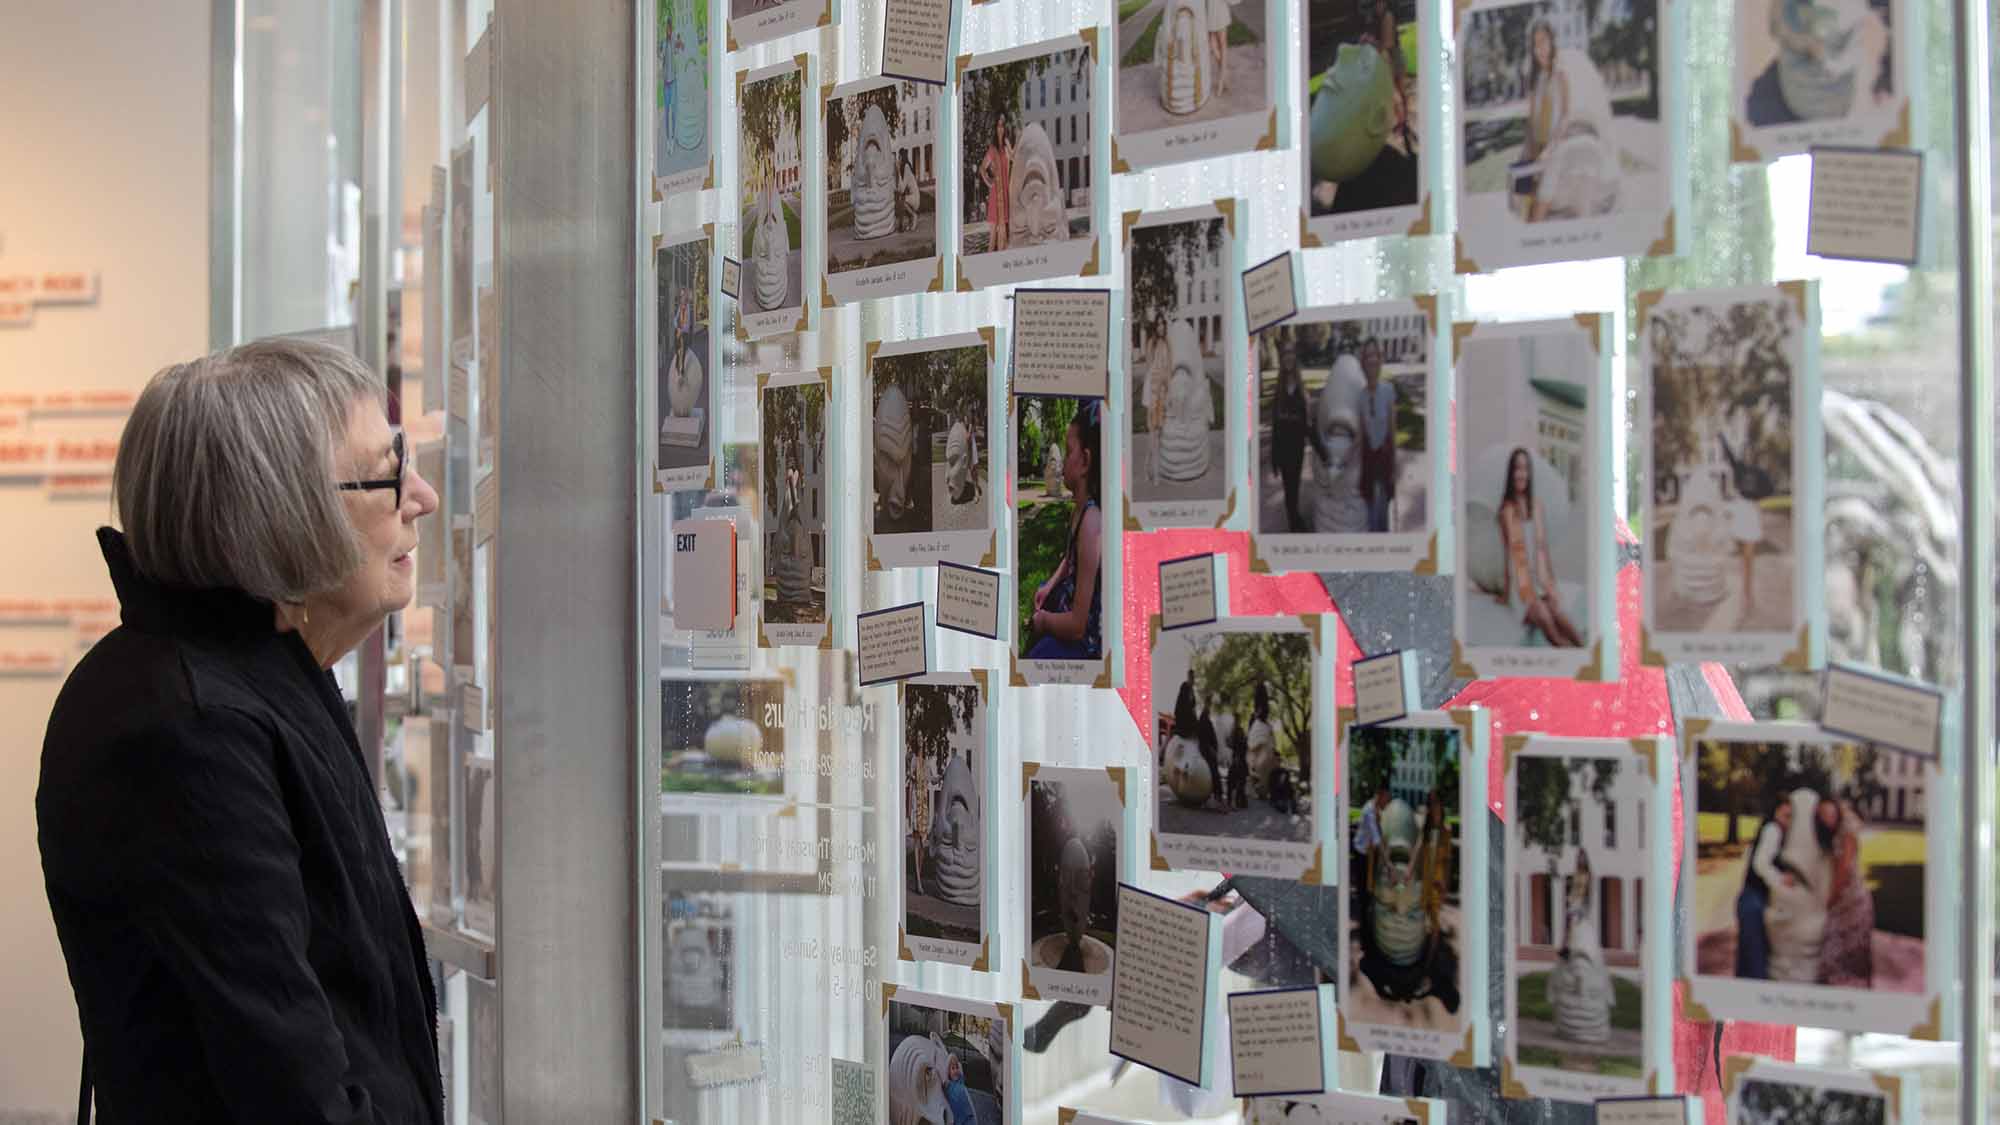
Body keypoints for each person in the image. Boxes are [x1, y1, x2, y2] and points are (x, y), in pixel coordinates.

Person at [38, 339, 445, 1121]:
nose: (420, 495)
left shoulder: (257, 676)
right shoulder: (189, 726)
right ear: (281, 510)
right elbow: (288, 1085)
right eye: (388, 471)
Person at [1027, 401, 1104, 661]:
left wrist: (1045, 622)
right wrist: (1049, 585)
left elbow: (1078, 625)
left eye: (1068, 450)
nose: (1061, 461)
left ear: (1084, 461)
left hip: (1084, 643)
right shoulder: (1079, 509)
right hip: (1067, 604)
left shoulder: (1092, 523)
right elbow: (1070, 559)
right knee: (1040, 596)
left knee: (1037, 655)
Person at [1497, 447, 1585, 647]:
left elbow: (1542, 549)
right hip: (1521, 588)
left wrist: (1551, 587)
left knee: (1559, 614)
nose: (1522, 474)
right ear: (1511, 474)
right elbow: (1509, 556)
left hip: (1539, 581)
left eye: (1525, 469)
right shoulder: (1506, 511)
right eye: (1517, 469)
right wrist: (1507, 594)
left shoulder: (1536, 506)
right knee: (1547, 620)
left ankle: (1581, 650)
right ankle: (1569, 659)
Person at [1270, 334, 1329, 534]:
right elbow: (1275, 425)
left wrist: (1322, 451)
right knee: (1289, 490)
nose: (1288, 357)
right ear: (1282, 358)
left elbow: (1307, 426)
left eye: (1290, 353)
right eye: (1285, 354)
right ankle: (1294, 523)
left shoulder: (1301, 389)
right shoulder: (1278, 390)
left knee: (1294, 488)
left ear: (1294, 357)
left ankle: (1296, 521)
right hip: (1283, 450)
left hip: (1296, 449)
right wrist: (1273, 457)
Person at [1735, 793, 1796, 979]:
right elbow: (1760, 863)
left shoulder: (1771, 829)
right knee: (1756, 965)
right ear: (1776, 813)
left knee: (1746, 962)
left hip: (1750, 898)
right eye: (1785, 815)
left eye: (1790, 816)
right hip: (1754, 901)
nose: (1788, 821)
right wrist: (1780, 879)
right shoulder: (1773, 829)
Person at [1816, 795, 1873, 987]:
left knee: (1846, 956)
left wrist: (1829, 900)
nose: (1827, 817)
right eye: (1823, 814)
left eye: (1831, 813)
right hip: (1843, 898)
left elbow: (1844, 870)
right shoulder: (1832, 834)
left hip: (1852, 900)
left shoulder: (1846, 833)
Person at [1519, 18, 1568, 221]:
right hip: (1536, 151)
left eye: (1543, 42)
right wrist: (1528, 152)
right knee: (1527, 207)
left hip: (1555, 151)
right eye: (1535, 44)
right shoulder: (1535, 78)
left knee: (1538, 212)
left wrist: (1551, 148)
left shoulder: (1560, 75)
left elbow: (1565, 115)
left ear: (1552, 43)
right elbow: (1532, 120)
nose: (1540, 48)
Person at [1357, 338, 1398, 533]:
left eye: (1375, 355)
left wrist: (1395, 466)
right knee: (1370, 518)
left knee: (1383, 518)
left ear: (1380, 359)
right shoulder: (1360, 396)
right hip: (1368, 464)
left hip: (1385, 462)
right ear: (1363, 362)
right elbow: (1360, 434)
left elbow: (1393, 429)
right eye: (1367, 356)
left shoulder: (1389, 391)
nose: (1372, 360)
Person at [978, 118, 1013, 253]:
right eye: (998, 126)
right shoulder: (992, 150)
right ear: (995, 129)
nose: (1000, 129)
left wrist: (1018, 138)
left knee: (1003, 235)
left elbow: (1014, 156)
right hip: (995, 194)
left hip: (1004, 193)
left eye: (1002, 126)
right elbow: (982, 168)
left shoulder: (1006, 147)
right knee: (993, 234)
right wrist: (988, 182)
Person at [943, 1052, 979, 1124]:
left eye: (957, 1068)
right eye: (953, 1068)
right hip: (959, 1120)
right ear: (948, 1071)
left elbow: (960, 1066)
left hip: (968, 1116)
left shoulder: (961, 1081)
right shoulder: (948, 1085)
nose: (956, 1070)